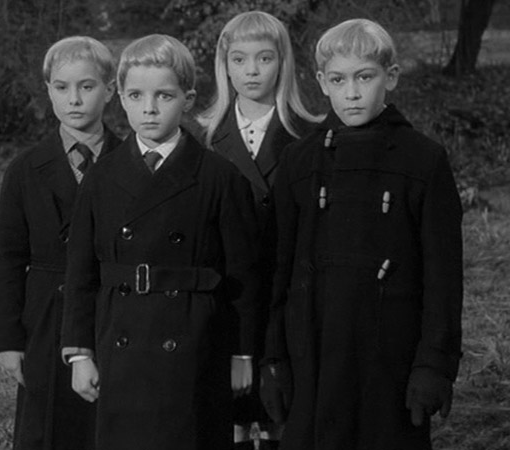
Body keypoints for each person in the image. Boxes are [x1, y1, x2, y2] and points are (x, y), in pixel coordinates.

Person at [262, 18, 463, 450]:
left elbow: (443, 278)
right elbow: (279, 269)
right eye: (338, 80)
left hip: (389, 358)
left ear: (390, 77)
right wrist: (273, 358)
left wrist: (434, 365)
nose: (351, 93)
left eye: (364, 77)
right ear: (322, 82)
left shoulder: (423, 160)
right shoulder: (299, 161)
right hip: (311, 356)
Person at [60, 34, 260, 450]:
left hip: (196, 343)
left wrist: (242, 354)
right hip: (120, 342)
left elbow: (243, 276)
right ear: (122, 98)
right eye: (136, 95)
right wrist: (80, 353)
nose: (149, 108)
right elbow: (81, 272)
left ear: (187, 100)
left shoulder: (219, 177)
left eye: (163, 96)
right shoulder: (101, 176)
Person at [0, 36, 120, 450]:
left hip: (112, 311)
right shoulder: (25, 168)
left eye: (87, 86)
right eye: (62, 87)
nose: (74, 99)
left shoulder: (130, 160)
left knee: (108, 423)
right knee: (48, 427)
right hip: (45, 319)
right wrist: (7, 341)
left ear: (110, 89)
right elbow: (6, 257)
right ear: (49, 91)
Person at [200, 10, 322, 450]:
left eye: (264, 58)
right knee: (229, 411)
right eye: (239, 59)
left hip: (286, 293)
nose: (251, 71)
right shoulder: (203, 137)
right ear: (224, 65)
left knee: (279, 409)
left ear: (282, 62)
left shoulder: (309, 134)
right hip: (227, 296)